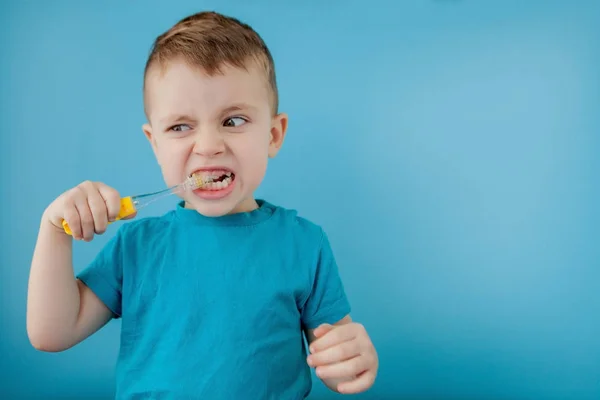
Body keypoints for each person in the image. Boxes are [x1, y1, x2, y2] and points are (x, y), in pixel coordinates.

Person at [27, 10, 378, 399]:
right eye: (180, 127)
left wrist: (353, 356)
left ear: (274, 135)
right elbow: (51, 333)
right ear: (155, 144)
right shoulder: (136, 246)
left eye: (233, 120)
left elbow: (336, 360)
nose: (209, 144)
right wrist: (53, 230)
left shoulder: (305, 244)